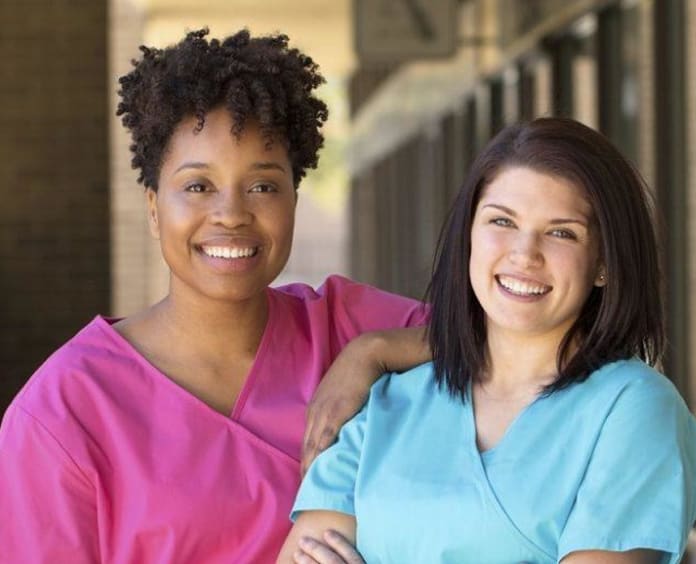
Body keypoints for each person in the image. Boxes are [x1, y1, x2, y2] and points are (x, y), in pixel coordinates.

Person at [0, 29, 430, 563]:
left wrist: (372, 352)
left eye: (263, 186)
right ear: (154, 208)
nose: (231, 214)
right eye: (198, 186)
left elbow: (527, 340)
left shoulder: (349, 327)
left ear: (293, 201)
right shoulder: (65, 412)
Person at [280, 117, 696, 564]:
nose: (524, 253)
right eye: (502, 221)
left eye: (562, 232)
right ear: (469, 236)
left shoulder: (632, 410)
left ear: (604, 263)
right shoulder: (386, 407)